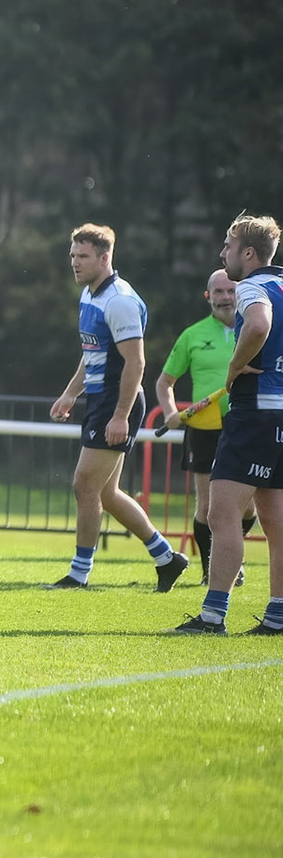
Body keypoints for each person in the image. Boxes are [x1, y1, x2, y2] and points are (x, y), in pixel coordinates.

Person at [47, 223, 187, 591]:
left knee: (84, 485)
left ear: (105, 257)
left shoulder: (120, 300)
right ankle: (166, 558)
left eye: (83, 256)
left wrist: (121, 415)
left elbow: (136, 364)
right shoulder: (90, 295)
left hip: (116, 400)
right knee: (105, 494)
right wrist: (70, 393)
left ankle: (79, 574)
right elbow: (92, 352)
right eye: (72, 255)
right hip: (100, 399)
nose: (75, 263)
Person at [172, 214, 283, 635]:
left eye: (227, 246)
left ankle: (213, 615)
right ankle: (277, 615)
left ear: (248, 253)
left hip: (255, 413)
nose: (223, 253)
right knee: (275, 518)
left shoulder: (253, 286)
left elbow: (257, 325)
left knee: (221, 514)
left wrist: (235, 367)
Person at [154, 268, 253, 583]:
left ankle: (229, 558)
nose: (226, 298)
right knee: (209, 505)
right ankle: (214, 571)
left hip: (245, 424)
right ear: (208, 297)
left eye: (231, 291)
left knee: (248, 506)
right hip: (204, 428)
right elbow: (165, 382)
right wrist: (170, 411)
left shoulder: (256, 329)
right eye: (219, 292)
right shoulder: (193, 335)